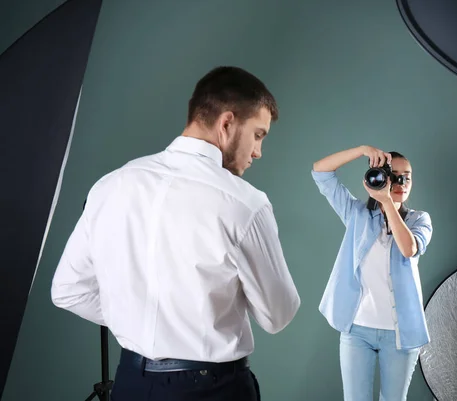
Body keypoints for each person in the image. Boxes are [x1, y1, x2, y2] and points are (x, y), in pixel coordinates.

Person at [51, 66, 301, 401]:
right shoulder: (245, 203)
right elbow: (278, 315)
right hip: (213, 389)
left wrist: (139, 319)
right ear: (227, 123)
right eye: (258, 135)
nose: (257, 152)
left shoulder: (110, 185)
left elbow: (68, 290)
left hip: (131, 384)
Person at [311, 145, 433, 401]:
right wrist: (361, 151)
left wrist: (387, 201)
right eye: (394, 176)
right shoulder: (357, 215)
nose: (401, 182)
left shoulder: (420, 220)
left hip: (400, 335)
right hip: (357, 330)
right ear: (379, 177)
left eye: (406, 176)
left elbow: (409, 248)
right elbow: (321, 171)